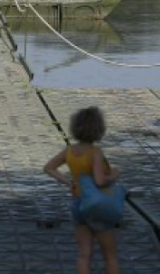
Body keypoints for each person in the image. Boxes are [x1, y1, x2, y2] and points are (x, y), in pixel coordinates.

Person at [44, 106, 122, 274]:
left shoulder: (70, 151)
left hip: (78, 204)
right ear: (98, 129)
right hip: (97, 206)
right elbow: (100, 181)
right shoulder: (95, 152)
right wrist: (114, 175)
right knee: (110, 255)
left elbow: (49, 168)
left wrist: (68, 182)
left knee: (84, 254)